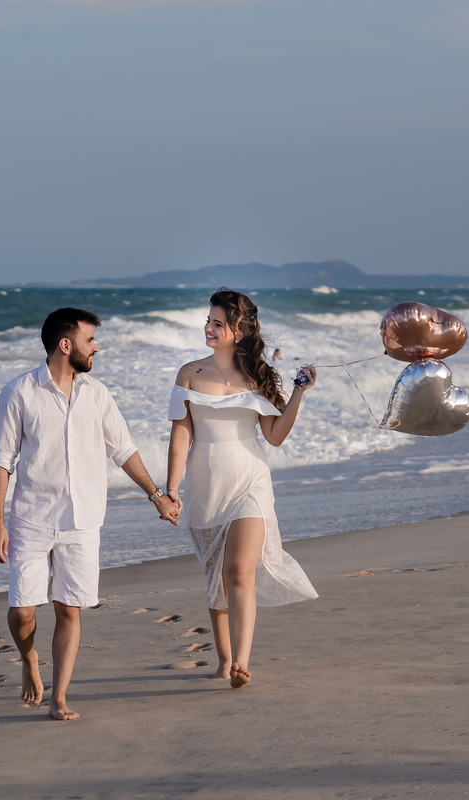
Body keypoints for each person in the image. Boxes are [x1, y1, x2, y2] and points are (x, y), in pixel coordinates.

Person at [0, 307, 180, 720]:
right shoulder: (19, 392)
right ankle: (28, 660)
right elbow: (2, 459)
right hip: (31, 518)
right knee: (23, 610)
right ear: (66, 344)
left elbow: (123, 450)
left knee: (68, 609)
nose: (96, 347)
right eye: (90, 340)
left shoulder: (98, 394)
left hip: (83, 519)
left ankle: (59, 697)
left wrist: (156, 495)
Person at [166, 289, 318, 689]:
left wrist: (298, 393)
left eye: (218, 323)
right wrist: (170, 488)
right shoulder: (189, 373)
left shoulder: (259, 377)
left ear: (238, 330)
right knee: (215, 574)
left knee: (238, 571)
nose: (209, 328)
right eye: (209, 321)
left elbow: (275, 436)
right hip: (204, 483)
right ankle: (224, 658)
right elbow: (181, 435)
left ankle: (242, 663)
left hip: (250, 479)